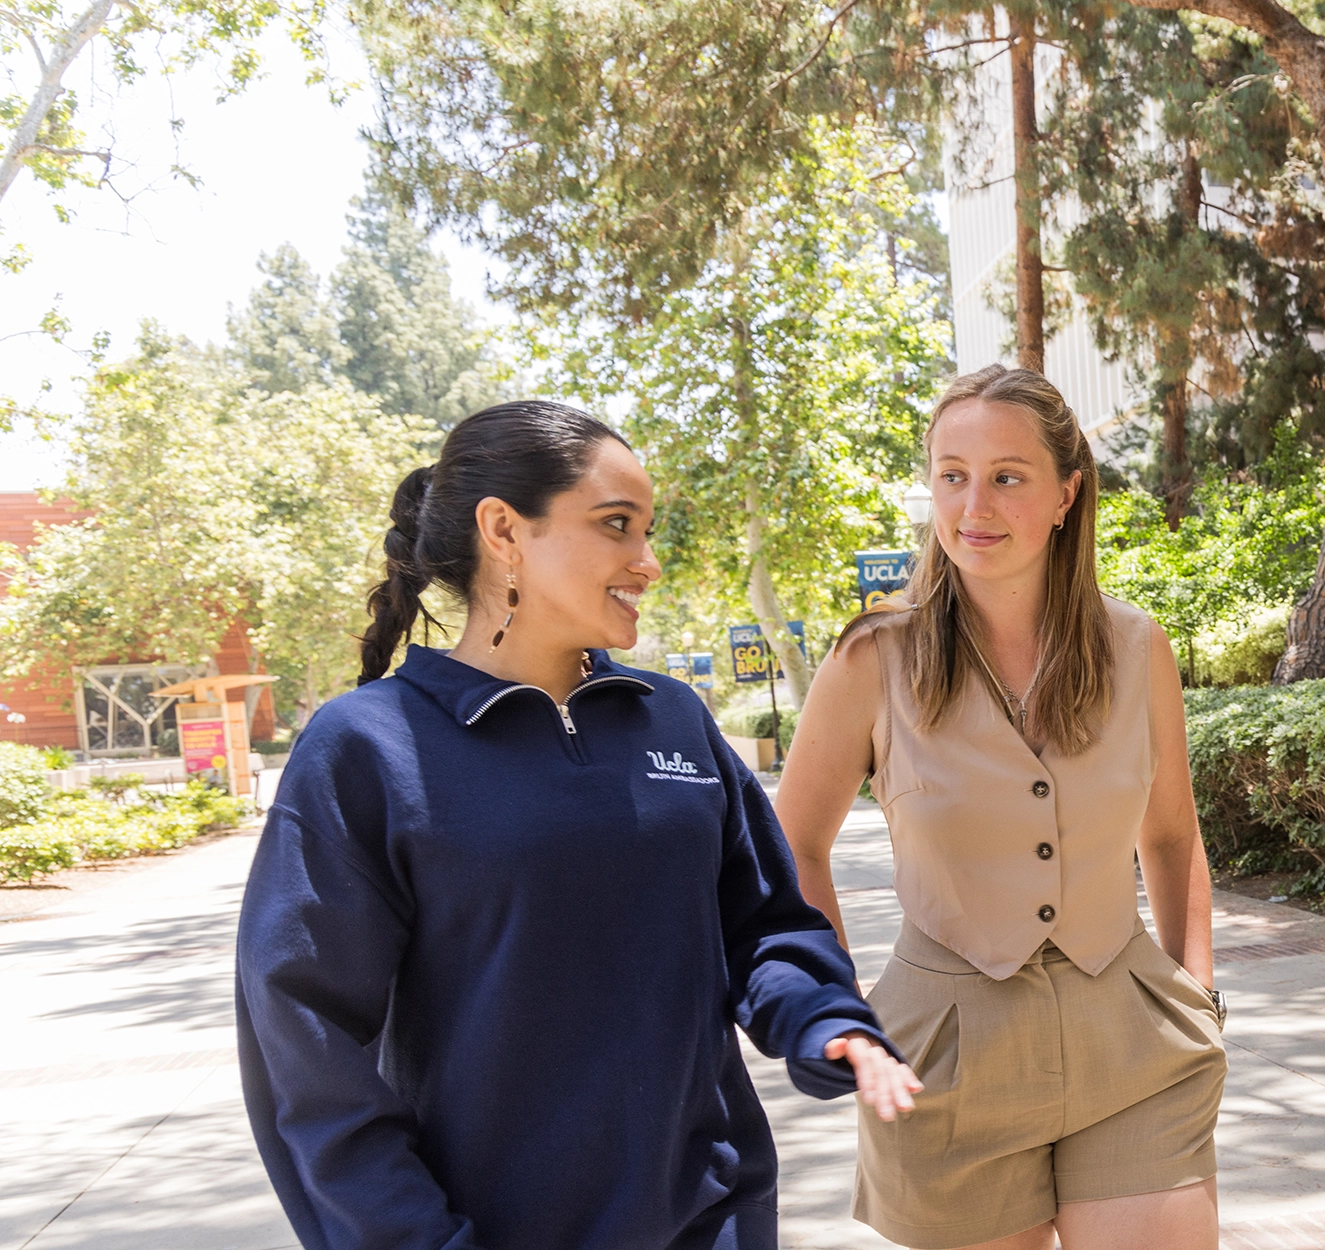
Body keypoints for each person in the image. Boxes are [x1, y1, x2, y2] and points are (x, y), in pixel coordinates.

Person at [236, 400, 920, 1250]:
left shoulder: (673, 720)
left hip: (713, 1217)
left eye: (648, 529)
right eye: (616, 527)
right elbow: (304, 1043)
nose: (650, 563)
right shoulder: (364, 749)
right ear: (504, 531)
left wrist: (827, 1019)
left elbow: (765, 926)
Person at [777, 365, 1226, 1250]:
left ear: (1067, 493)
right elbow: (794, 842)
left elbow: (1172, 833)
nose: (973, 504)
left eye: (1007, 476)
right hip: (943, 1057)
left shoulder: (1138, 648)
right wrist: (840, 1010)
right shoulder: (875, 657)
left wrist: (1197, 993)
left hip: (1131, 1036)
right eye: (952, 474)